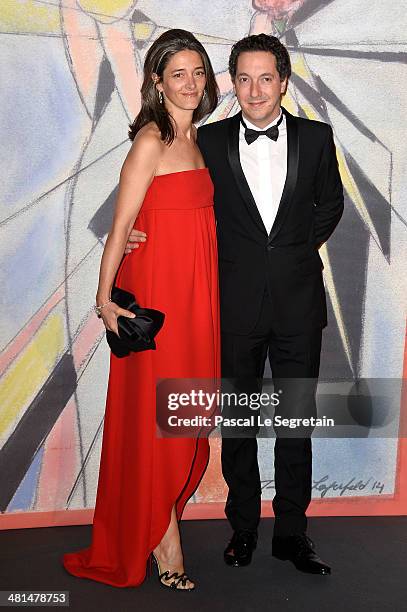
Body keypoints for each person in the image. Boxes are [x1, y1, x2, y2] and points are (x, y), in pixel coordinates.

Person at [127, 34, 344, 575]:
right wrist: (134, 231)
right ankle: (242, 530)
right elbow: (169, 195)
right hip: (231, 306)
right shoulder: (211, 140)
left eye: (265, 78)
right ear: (232, 84)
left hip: (298, 306)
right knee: (239, 426)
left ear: (284, 82)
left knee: (296, 424)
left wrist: (289, 251)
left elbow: (331, 205)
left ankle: (293, 534)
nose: (254, 90)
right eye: (242, 79)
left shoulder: (318, 139)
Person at [62, 29, 220, 590]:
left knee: (184, 409)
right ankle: (164, 536)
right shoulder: (151, 139)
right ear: (157, 81)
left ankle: (161, 520)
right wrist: (105, 300)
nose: (190, 83)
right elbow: (120, 226)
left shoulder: (199, 137)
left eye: (198, 71)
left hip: (195, 296)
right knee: (155, 416)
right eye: (178, 73)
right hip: (156, 297)